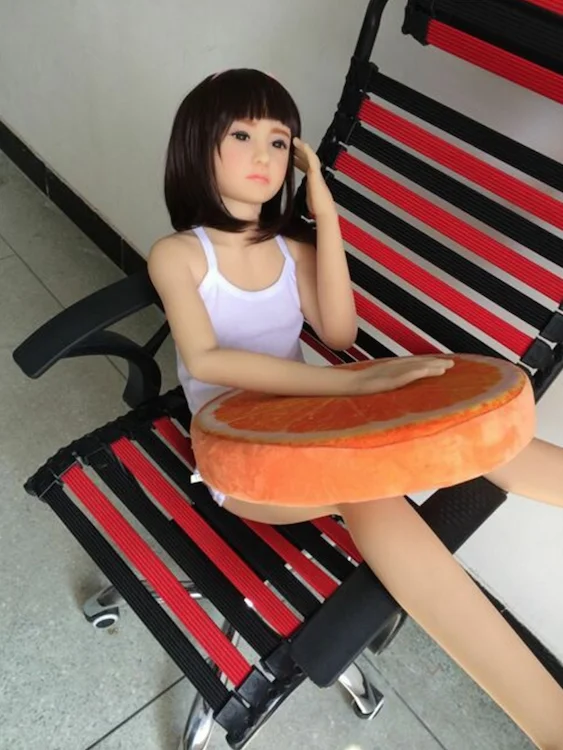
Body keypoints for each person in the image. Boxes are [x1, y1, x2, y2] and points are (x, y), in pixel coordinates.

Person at [148, 68, 563, 748]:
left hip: (311, 423)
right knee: (366, 490)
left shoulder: (291, 251)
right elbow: (209, 359)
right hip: (241, 456)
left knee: (465, 433)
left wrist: (326, 211)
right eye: (242, 135)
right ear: (198, 144)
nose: (263, 156)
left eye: (278, 142)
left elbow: (339, 334)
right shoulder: (178, 255)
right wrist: (349, 388)